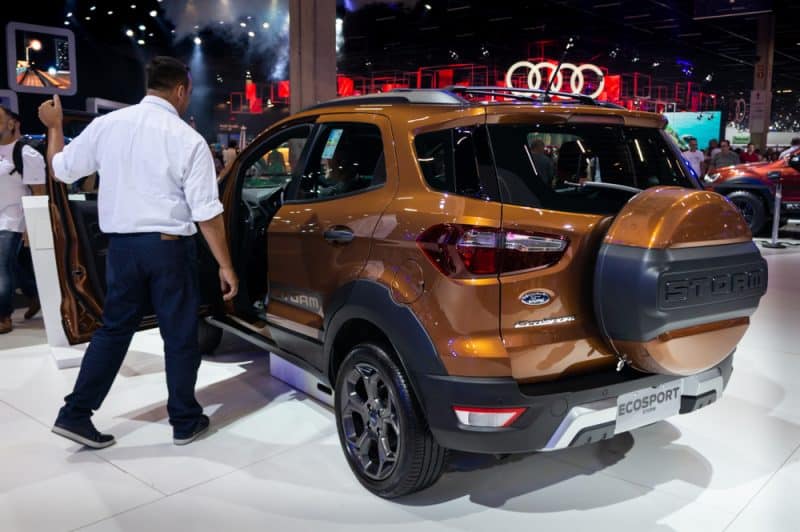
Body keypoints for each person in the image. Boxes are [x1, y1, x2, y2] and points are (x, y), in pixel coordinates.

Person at [38, 56, 239, 449]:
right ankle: (184, 420)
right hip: (168, 249)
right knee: (179, 335)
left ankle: (75, 414)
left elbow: (60, 169)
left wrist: (55, 128)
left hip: (121, 250)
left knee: (113, 331)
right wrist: (226, 265)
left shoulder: (107, 126)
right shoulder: (187, 139)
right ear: (181, 90)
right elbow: (207, 213)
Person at [0, 106, 45, 333]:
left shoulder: (26, 153)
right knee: (11, 265)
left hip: (13, 217)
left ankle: (3, 316)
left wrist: (32, 226)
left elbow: (39, 190)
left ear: (12, 123)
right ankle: (33, 292)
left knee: (1, 265)